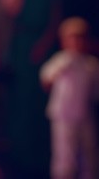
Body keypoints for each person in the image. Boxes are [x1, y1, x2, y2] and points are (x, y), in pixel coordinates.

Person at [0, 0, 60, 177]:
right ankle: (21, 159)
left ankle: (45, 158)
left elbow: (55, 21)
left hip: (43, 46)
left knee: (42, 104)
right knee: (21, 104)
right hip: (21, 50)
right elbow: (11, 9)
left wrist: (44, 45)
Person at [40, 17, 99, 179]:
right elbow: (46, 79)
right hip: (63, 115)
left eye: (80, 38)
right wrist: (56, 74)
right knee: (65, 156)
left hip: (84, 115)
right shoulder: (61, 60)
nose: (76, 42)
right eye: (71, 38)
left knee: (89, 154)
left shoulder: (91, 64)